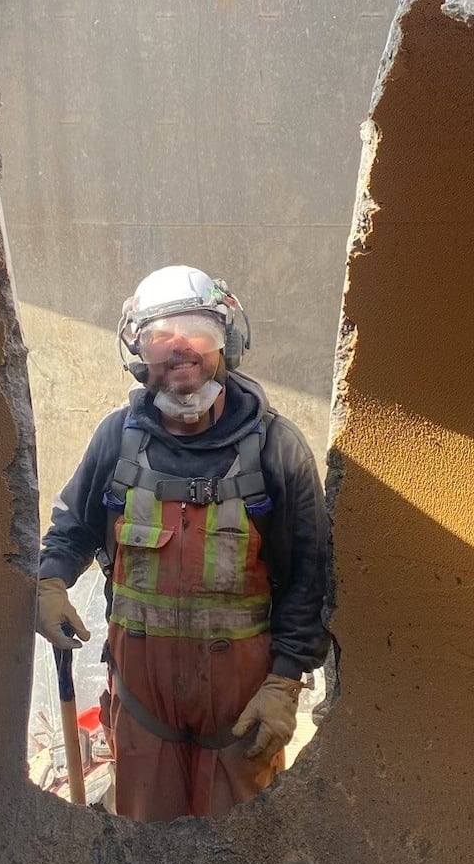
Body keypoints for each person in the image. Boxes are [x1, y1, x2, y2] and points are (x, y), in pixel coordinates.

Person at [35, 265, 330, 821]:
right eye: (159, 337)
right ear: (139, 353)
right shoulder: (115, 441)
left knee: (244, 860)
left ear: (227, 342)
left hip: (242, 718)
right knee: (144, 855)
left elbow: (309, 582)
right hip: (144, 716)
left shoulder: (277, 450)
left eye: (197, 332)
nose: (179, 351)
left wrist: (285, 685)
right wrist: (50, 580)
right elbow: (72, 528)